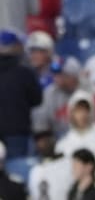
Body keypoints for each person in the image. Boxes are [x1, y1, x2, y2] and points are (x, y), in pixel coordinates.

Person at [0, 30, 42, 159]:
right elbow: (37, 99)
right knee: (18, 171)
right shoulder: (25, 72)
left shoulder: (25, 72)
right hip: (17, 132)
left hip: (16, 131)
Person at [32, 57, 88, 136]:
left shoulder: (89, 90)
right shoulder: (49, 93)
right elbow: (41, 123)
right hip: (58, 138)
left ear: (72, 76)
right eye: (55, 74)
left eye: (60, 74)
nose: (55, 77)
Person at [27, 130, 73, 200]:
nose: (43, 144)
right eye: (39, 141)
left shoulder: (67, 164)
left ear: (53, 141)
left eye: (46, 140)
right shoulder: (35, 170)